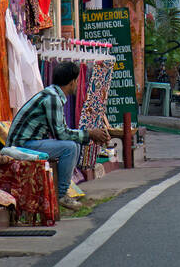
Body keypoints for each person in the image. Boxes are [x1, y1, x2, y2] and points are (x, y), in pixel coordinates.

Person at [8, 61, 111, 206]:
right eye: (76, 81)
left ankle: (61, 192)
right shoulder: (53, 98)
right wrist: (89, 134)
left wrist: (88, 135)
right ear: (72, 82)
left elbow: (60, 131)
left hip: (27, 143)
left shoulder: (52, 95)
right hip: (21, 146)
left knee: (71, 145)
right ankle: (62, 195)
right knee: (70, 147)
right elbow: (61, 134)